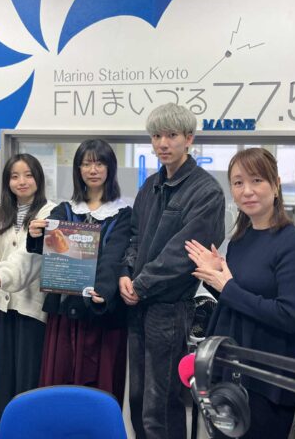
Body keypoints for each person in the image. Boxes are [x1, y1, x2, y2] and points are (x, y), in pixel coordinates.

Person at [185, 147, 295, 439]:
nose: (247, 191)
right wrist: (215, 279)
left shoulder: (293, 244)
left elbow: (288, 316)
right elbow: (239, 301)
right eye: (238, 182)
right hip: (230, 371)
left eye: (257, 180)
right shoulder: (241, 239)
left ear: (276, 185)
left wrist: (227, 286)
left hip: (266, 380)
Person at [119, 103, 225, 439]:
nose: (162, 143)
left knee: (160, 407)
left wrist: (141, 285)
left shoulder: (206, 192)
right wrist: (125, 273)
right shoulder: (150, 185)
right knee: (138, 400)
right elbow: (134, 237)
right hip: (138, 306)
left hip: (169, 310)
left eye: (172, 135)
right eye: (156, 136)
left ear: (189, 138)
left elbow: (183, 254)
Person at [27, 139, 131, 404]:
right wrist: (36, 234)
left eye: (99, 163)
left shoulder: (123, 214)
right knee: (59, 387)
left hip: (103, 314)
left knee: (99, 392)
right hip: (65, 316)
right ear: (78, 169)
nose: (93, 170)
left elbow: (115, 257)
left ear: (110, 168)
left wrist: (103, 292)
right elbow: (52, 247)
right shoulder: (64, 210)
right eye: (86, 164)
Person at [0, 153, 56, 435]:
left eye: (28, 175)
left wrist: (2, 278)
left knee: (29, 383)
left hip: (34, 309)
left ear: (38, 178)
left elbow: (31, 257)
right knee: (2, 382)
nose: (22, 181)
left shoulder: (51, 213)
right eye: (15, 176)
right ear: (7, 181)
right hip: (2, 309)